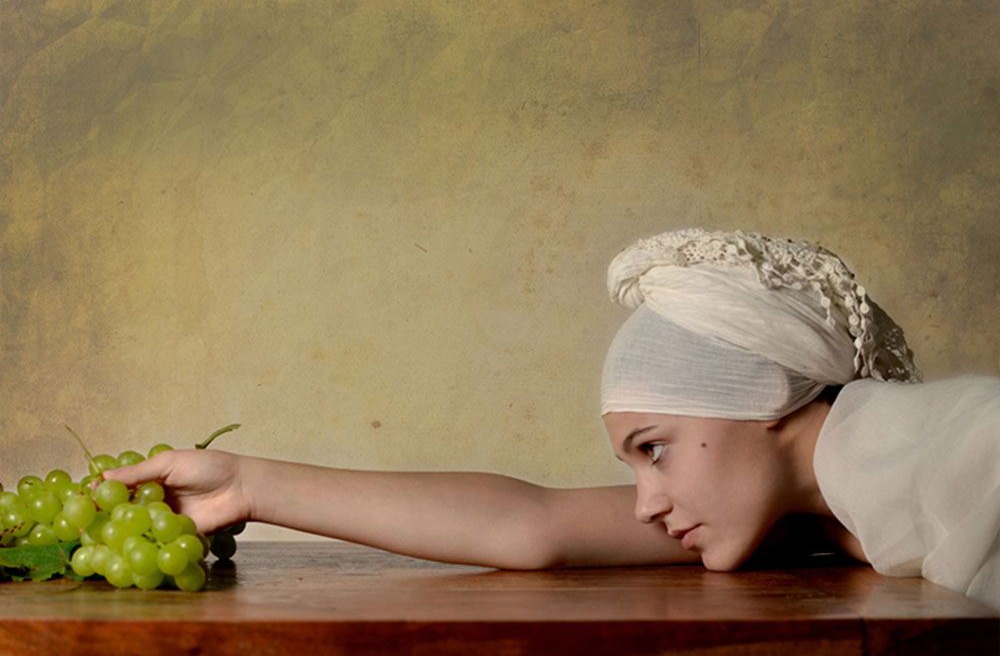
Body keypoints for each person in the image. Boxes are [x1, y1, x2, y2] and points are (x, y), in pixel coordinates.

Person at [104, 228, 1000, 609]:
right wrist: (248, 485)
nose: (647, 501)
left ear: (768, 395)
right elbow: (531, 523)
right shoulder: (804, 514)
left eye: (653, 450)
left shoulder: (970, 442)